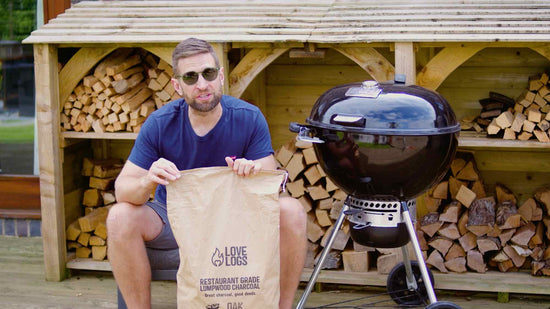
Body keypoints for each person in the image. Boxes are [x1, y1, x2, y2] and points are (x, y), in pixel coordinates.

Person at [106, 38, 307, 309]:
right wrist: (148, 180)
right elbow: (123, 190)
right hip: (175, 221)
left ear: (220, 76)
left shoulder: (248, 117)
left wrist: (253, 172)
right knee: (119, 216)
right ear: (177, 85)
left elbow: (272, 184)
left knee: (291, 211)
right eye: (190, 77)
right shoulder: (159, 123)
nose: (202, 84)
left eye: (208, 74)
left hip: (236, 220)